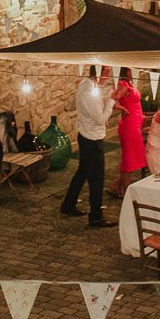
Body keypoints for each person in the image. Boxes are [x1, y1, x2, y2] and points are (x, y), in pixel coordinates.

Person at [59, 65, 116, 227]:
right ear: (98, 74)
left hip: (85, 136)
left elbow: (96, 110)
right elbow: (100, 119)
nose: (108, 76)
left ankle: (68, 205)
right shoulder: (91, 94)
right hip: (92, 140)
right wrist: (113, 100)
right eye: (106, 73)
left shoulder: (86, 85)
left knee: (82, 172)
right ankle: (96, 216)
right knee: (97, 179)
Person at [109, 67, 146, 198]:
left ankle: (116, 185)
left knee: (135, 157)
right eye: (132, 69)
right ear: (126, 71)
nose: (135, 70)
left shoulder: (131, 84)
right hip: (129, 125)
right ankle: (126, 192)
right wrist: (121, 108)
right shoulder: (122, 84)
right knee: (129, 159)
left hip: (136, 123)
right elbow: (113, 99)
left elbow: (135, 103)